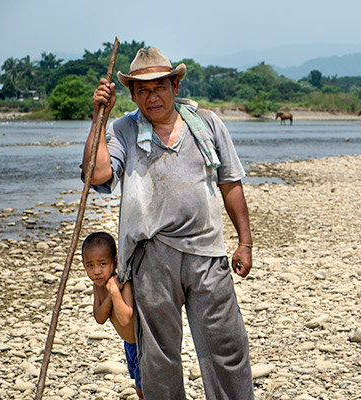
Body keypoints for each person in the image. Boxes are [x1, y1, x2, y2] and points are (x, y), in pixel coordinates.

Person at [82, 47, 254, 400]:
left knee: (226, 347)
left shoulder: (206, 124)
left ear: (175, 85)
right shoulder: (124, 129)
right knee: (158, 357)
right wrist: (99, 118)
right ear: (131, 94)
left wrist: (245, 241)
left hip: (206, 252)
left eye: (159, 86)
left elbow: (230, 184)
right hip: (151, 257)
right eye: (142, 89)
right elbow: (97, 174)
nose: (152, 96)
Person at [81, 231, 143, 399]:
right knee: (139, 388)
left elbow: (125, 318)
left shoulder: (123, 282)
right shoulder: (98, 287)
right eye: (90, 265)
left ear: (114, 262)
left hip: (142, 344)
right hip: (129, 344)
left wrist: (115, 292)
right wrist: (109, 295)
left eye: (102, 264)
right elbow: (100, 318)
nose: (97, 272)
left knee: (143, 386)